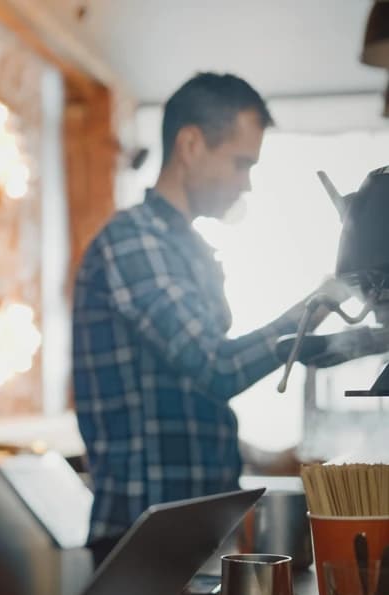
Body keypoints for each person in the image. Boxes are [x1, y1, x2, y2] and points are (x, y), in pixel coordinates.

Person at [72, 72, 346, 561]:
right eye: (241, 163)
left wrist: (261, 456)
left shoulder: (189, 250)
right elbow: (215, 368)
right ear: (191, 144)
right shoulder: (134, 240)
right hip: (144, 533)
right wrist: (318, 305)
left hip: (193, 523)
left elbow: (184, 401)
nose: (246, 183)